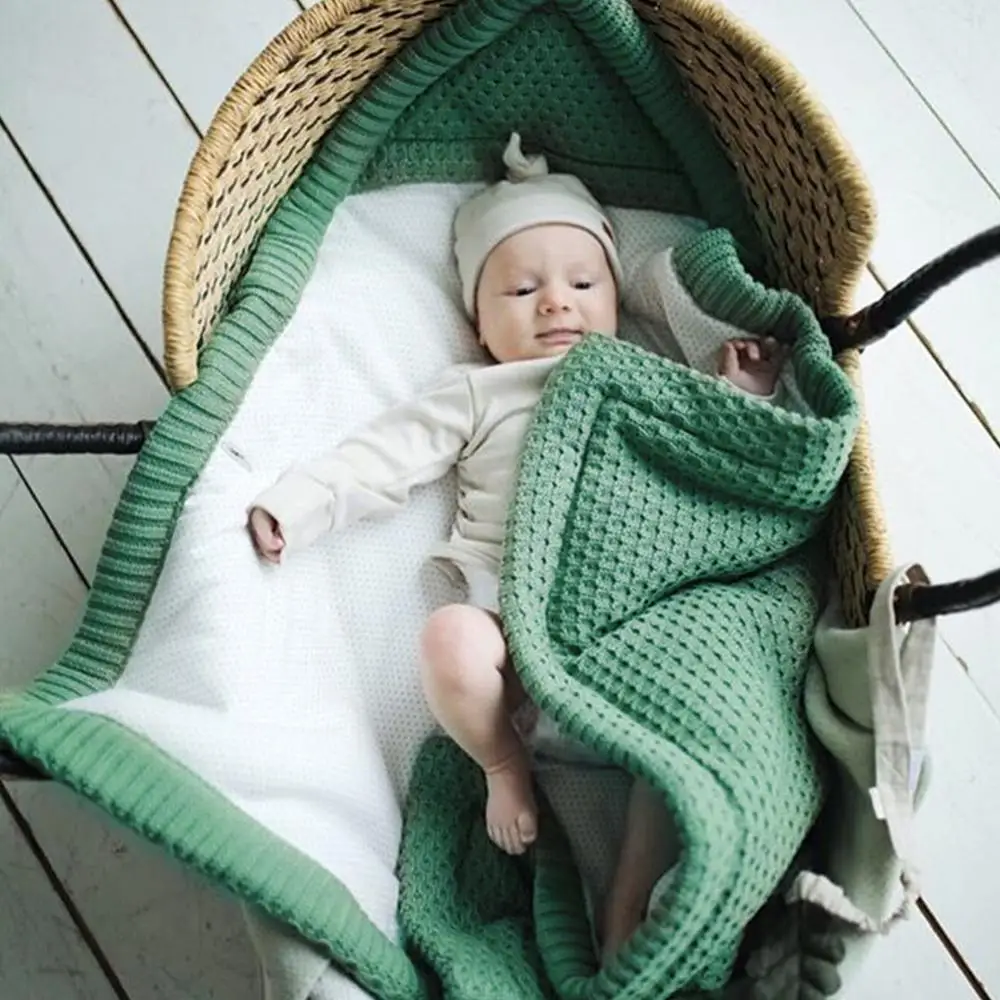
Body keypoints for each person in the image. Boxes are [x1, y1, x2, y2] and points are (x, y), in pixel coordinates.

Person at [247, 132, 786, 958]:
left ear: (615, 296)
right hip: (515, 631)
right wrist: (300, 503)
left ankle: (629, 922)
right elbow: (382, 456)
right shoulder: (478, 392)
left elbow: (700, 450)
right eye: (523, 288)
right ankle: (504, 767)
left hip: (634, 626)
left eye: (582, 283)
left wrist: (742, 394)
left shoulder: (642, 374)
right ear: (478, 320)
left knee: (679, 739)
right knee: (449, 639)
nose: (556, 304)